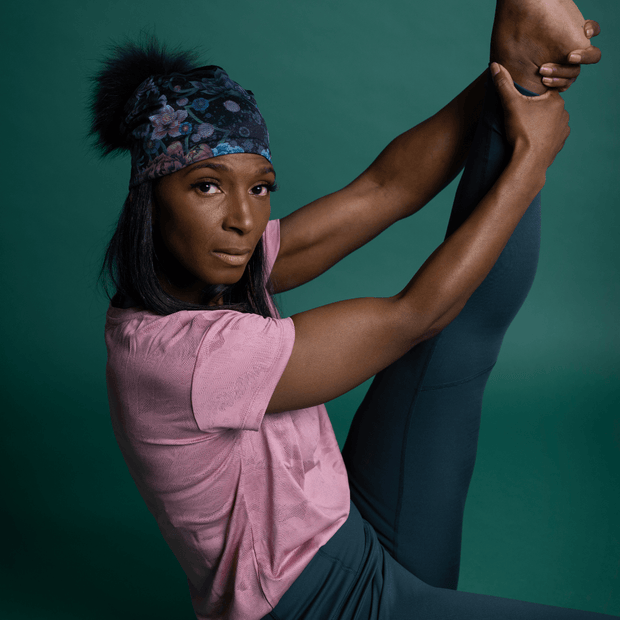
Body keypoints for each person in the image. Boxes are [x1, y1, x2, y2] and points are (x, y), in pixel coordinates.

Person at [94, 1, 613, 619]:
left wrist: (507, 72)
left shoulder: (220, 268)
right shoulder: (185, 357)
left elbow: (386, 188)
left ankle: (522, 61)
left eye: (259, 186)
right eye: (206, 185)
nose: (241, 219)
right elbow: (412, 314)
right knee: (436, 323)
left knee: (461, 332)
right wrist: (530, 163)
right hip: (322, 603)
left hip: (347, 520)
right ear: (152, 199)